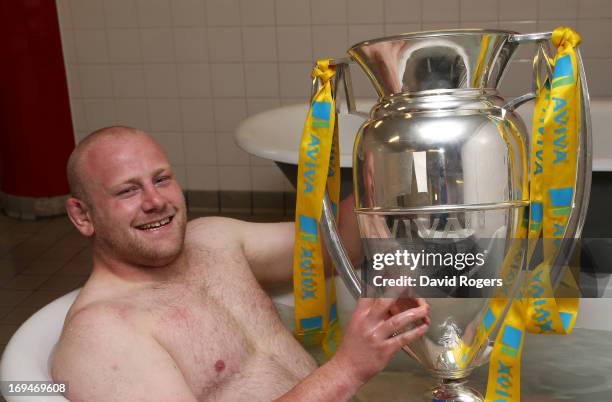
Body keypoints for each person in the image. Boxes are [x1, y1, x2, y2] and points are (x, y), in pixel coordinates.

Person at [51, 126, 430, 402]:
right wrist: (347, 369)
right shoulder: (101, 333)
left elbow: (339, 247)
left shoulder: (214, 239)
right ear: (82, 216)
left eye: (161, 179)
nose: (155, 201)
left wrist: (399, 163)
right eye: (128, 190)